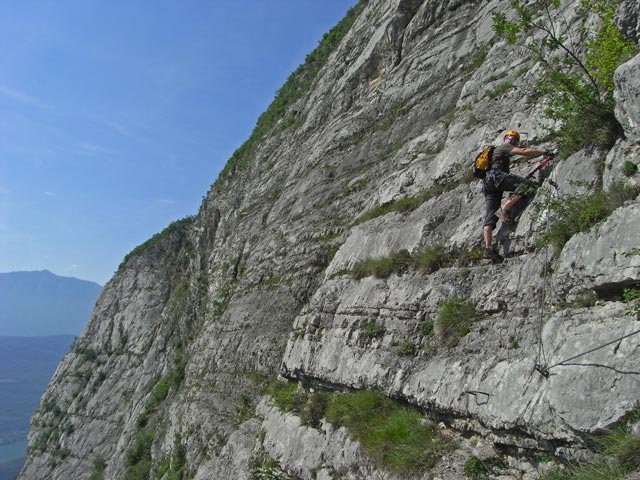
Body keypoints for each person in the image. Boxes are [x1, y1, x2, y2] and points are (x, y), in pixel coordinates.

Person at [482, 130, 548, 261]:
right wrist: (543, 152)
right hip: (497, 177)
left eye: (514, 140)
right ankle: (505, 209)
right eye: (510, 138)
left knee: (490, 216)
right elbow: (523, 152)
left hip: (488, 183)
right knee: (527, 185)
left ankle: (488, 247)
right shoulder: (504, 147)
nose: (512, 141)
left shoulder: (495, 153)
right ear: (505, 139)